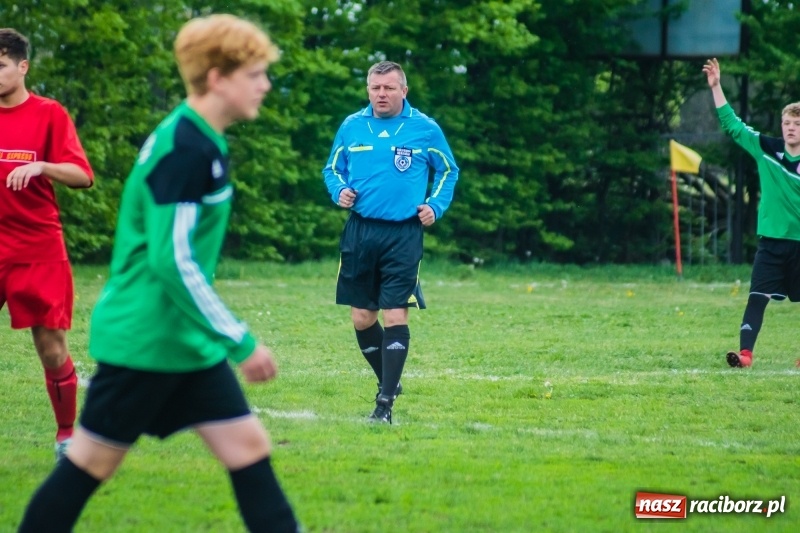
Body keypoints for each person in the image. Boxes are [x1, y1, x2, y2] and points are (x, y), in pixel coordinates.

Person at [19, 15, 300, 533]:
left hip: (183, 342)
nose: (265, 85)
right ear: (217, 78)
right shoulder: (186, 148)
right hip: (146, 340)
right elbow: (174, 261)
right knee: (89, 464)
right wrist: (240, 340)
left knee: (247, 448)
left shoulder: (201, 138)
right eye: (255, 74)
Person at [322, 60, 460, 423]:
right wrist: (339, 190)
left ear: (403, 90)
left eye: (388, 88)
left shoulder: (424, 128)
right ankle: (390, 380)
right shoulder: (352, 126)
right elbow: (332, 169)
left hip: (403, 234)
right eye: (375, 88)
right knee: (362, 318)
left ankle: (384, 404)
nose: (381, 94)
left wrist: (435, 205)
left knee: (395, 313)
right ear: (368, 90)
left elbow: (448, 170)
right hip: (360, 232)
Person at [0, 28, 94, 460]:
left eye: (1, 66)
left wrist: (42, 167)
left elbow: (83, 176)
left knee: (51, 349)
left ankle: (66, 436)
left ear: (23, 67)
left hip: (37, 248)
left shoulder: (49, 114)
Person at [703, 58, 800, 368]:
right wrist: (716, 87)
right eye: (787, 123)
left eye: (797, 124)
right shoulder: (767, 149)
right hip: (771, 243)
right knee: (757, 295)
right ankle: (745, 355)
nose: (791, 128)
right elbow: (733, 126)